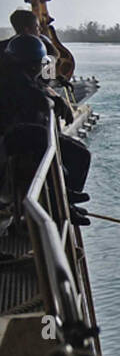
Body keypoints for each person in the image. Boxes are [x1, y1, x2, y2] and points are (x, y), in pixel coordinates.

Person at [0, 35, 91, 223]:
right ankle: (62, 207)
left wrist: (55, 96)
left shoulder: (18, 70)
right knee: (69, 159)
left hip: (19, 131)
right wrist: (55, 100)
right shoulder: (12, 77)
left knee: (80, 153)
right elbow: (35, 96)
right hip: (10, 135)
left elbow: (39, 86)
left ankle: (67, 201)